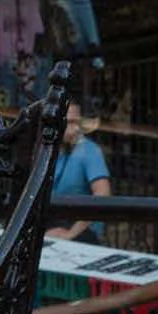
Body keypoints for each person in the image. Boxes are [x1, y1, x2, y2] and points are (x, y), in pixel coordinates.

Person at [46, 102, 112, 243]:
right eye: (69, 122)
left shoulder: (89, 150)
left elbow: (102, 195)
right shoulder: (45, 150)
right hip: (50, 222)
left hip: (81, 229)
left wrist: (70, 234)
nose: (75, 129)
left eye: (77, 122)